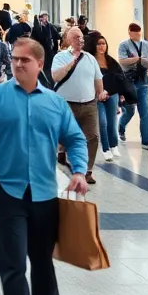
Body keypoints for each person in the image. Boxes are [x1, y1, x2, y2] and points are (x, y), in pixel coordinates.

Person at [0, 38, 89, 295]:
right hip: (6, 193)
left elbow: (75, 138)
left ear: (40, 64)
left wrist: (79, 171)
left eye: (25, 60)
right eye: (15, 59)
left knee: (43, 262)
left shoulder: (55, 103)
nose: (18, 64)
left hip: (45, 195)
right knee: (12, 266)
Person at [51, 26, 103, 184]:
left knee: (92, 137)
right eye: (75, 37)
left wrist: (100, 93)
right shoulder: (60, 57)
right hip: (66, 105)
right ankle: (61, 150)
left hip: (89, 105)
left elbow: (97, 79)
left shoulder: (90, 58)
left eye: (81, 37)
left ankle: (87, 171)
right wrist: (70, 64)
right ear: (68, 40)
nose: (80, 40)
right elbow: (55, 77)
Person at [84, 31, 125, 162]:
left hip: (111, 95)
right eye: (99, 44)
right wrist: (98, 92)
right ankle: (105, 148)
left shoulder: (111, 61)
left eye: (104, 44)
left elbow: (120, 78)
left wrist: (119, 94)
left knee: (112, 122)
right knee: (102, 122)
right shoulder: (90, 60)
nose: (102, 46)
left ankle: (114, 145)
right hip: (97, 96)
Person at [117, 23, 148, 151]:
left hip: (143, 81)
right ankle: (121, 127)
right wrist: (140, 60)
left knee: (144, 112)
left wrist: (138, 60)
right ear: (129, 32)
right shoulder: (124, 45)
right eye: (134, 32)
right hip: (129, 82)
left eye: (138, 32)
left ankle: (146, 141)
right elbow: (122, 61)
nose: (137, 34)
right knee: (129, 111)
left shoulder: (147, 45)